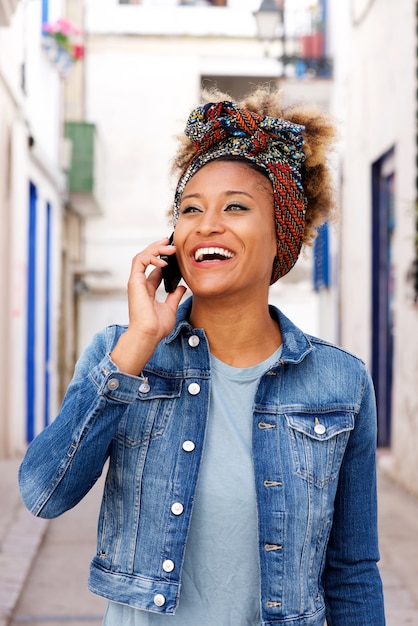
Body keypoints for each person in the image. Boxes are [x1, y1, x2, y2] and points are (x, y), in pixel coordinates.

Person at [19, 86, 386, 626]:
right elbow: (44, 492)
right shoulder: (122, 354)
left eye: (236, 207)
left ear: (281, 232)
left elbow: (352, 572)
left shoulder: (340, 382)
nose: (207, 224)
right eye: (190, 210)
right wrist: (139, 344)